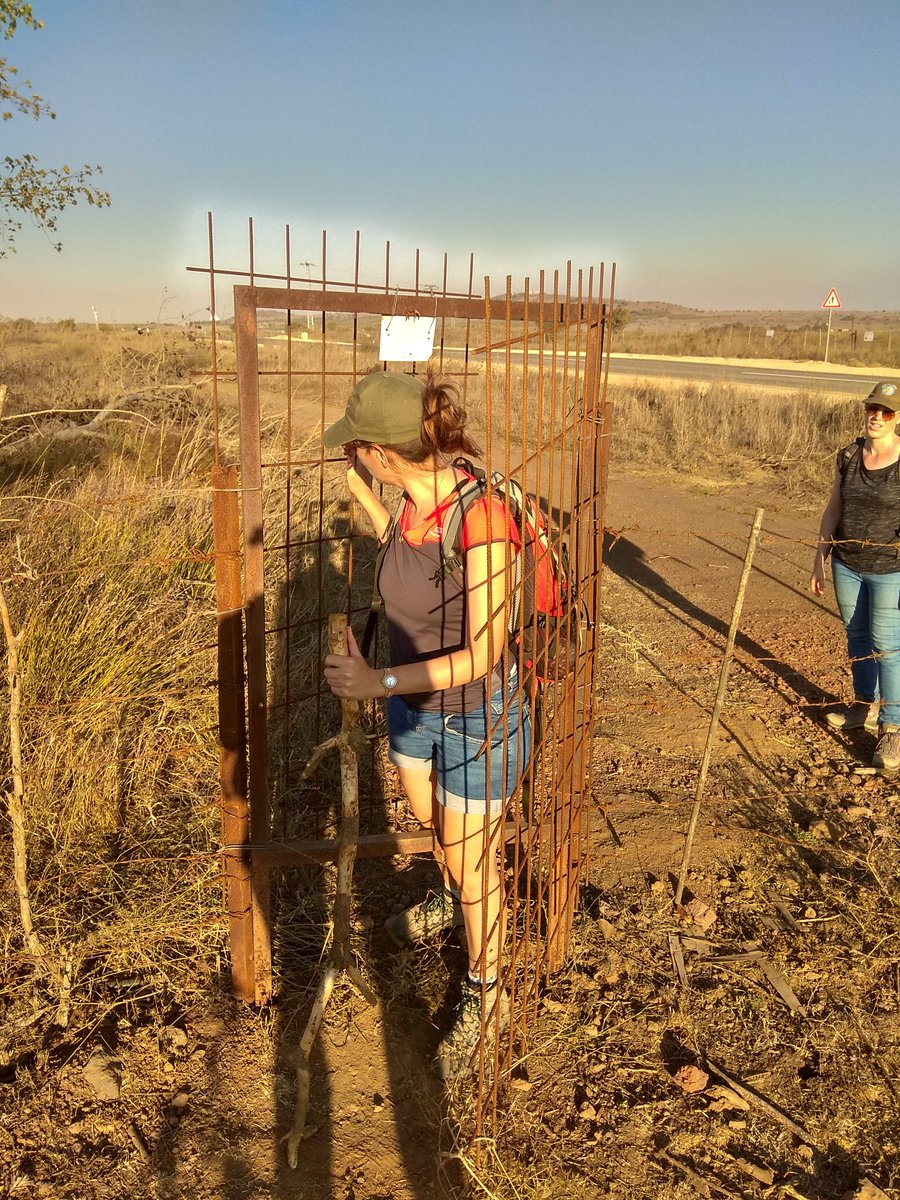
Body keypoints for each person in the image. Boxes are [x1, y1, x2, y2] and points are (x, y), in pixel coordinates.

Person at [321, 370, 531, 1078]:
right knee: (438, 832)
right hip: (414, 709)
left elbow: (484, 654)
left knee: (474, 863)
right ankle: (453, 898)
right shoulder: (409, 505)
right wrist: (363, 489)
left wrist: (375, 681)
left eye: (358, 447)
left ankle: (488, 994)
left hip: (477, 716)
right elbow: (404, 550)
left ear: (384, 453)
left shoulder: (483, 518)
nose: (351, 455)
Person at [809, 380, 900, 768]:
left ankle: (892, 728)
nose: (876, 417)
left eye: (886, 412)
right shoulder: (848, 455)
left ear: (897, 417)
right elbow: (834, 507)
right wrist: (820, 557)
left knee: (887, 646)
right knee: (857, 638)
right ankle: (863, 706)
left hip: (890, 570)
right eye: (872, 409)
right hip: (847, 565)